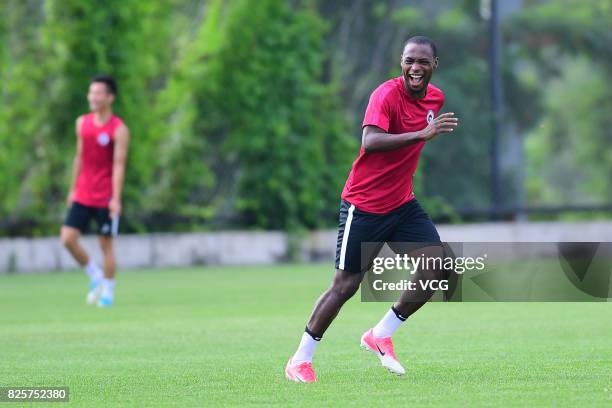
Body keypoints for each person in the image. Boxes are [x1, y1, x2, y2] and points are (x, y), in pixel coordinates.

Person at [285, 36, 459, 382]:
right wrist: (420, 135)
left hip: (402, 204)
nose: (415, 68)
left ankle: (380, 334)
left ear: (434, 66)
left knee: (439, 266)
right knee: (346, 285)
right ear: (401, 62)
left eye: (423, 62)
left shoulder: (435, 98)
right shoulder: (385, 95)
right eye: (410, 60)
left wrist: (421, 134)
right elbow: (371, 140)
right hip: (363, 205)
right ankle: (299, 360)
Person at [60, 75, 130, 308]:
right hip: (83, 192)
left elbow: (119, 165)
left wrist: (116, 199)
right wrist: (72, 189)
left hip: (105, 196)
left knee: (105, 245)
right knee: (67, 239)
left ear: (110, 98)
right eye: (91, 92)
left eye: (98, 93)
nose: (93, 97)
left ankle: (108, 292)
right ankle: (95, 275)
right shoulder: (82, 123)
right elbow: (79, 156)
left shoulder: (119, 130)